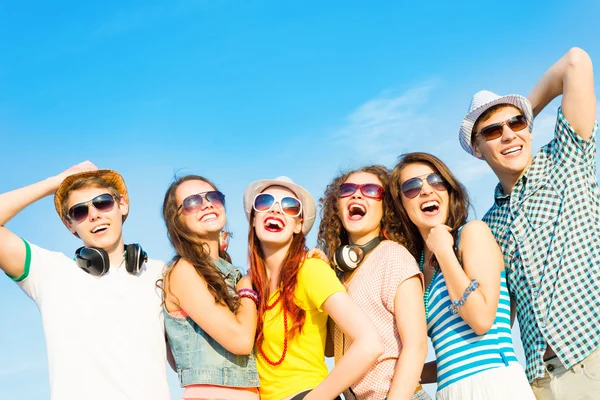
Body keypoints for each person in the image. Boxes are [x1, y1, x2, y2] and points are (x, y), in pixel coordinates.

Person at [459, 48, 599, 399]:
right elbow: (494, 316)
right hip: (541, 380)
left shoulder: (566, 159)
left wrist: (525, 114)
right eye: (492, 131)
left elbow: (576, 61)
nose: (508, 134)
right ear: (477, 149)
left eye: (516, 123)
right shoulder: (488, 228)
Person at [0, 162, 170, 400]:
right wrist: (54, 183)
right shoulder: (49, 273)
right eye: (80, 211)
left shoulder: (162, 273)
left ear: (122, 204)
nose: (94, 214)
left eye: (103, 202)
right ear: (70, 225)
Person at [390, 152, 534, 399]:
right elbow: (451, 356)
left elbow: (480, 320)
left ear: (449, 190)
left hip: (493, 384)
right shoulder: (418, 269)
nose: (426, 190)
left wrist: (444, 251)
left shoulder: (472, 234)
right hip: (450, 391)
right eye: (412, 187)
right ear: (401, 205)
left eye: (436, 181)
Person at [243, 176, 383, 400]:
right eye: (265, 202)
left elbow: (370, 342)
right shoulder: (248, 288)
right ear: (253, 219)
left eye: (289, 206)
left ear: (299, 225)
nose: (276, 210)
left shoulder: (310, 270)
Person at [317, 165, 429, 400]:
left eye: (370, 190)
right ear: (336, 206)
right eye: (348, 190)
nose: (357, 195)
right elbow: (329, 348)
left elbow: (416, 346)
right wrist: (319, 273)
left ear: (385, 206)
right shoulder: (338, 274)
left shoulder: (393, 256)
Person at [160, 175, 260, 400]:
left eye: (213, 197)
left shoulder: (229, 273)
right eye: (192, 202)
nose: (206, 204)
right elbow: (241, 341)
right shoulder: (184, 270)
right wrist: (246, 290)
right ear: (176, 220)